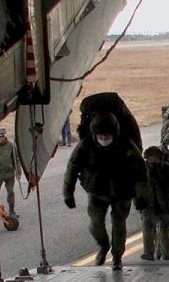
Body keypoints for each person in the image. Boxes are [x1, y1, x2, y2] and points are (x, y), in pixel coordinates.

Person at [63, 112, 149, 270]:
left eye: (107, 136)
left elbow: (141, 172)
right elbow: (72, 168)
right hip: (97, 192)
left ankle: (117, 257)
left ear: (114, 133)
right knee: (95, 225)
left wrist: (141, 197)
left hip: (122, 192)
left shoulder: (126, 145)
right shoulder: (86, 145)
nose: (104, 139)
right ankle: (103, 245)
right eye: (100, 136)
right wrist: (68, 193)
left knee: (119, 226)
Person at [140, 146, 169, 261]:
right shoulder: (142, 171)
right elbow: (136, 187)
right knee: (147, 226)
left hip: (165, 205)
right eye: (151, 159)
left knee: (164, 230)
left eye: (156, 159)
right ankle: (148, 252)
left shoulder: (167, 169)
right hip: (148, 205)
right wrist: (138, 200)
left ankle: (165, 254)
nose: (153, 162)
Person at [0, 128, 21, 217]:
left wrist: (18, 172)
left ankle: (12, 211)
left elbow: (16, 159)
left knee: (11, 192)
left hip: (9, 174)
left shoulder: (11, 146)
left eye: (3, 136)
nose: (1, 138)